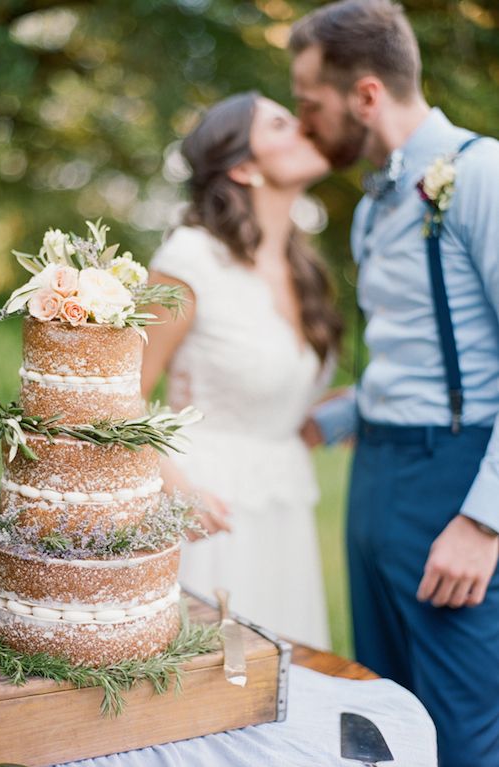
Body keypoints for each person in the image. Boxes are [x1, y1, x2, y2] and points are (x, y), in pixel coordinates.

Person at [289, 1, 499, 764]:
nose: (302, 124)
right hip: (373, 477)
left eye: (310, 104)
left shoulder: (482, 175)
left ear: (367, 95)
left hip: (453, 483)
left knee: (461, 733)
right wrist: (341, 415)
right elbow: (411, 353)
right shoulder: (373, 206)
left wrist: (484, 521)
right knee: (383, 719)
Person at [141, 92, 343, 648]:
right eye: (281, 123)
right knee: (220, 682)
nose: (305, 125)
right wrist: (175, 488)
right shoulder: (189, 259)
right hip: (209, 514)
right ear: (244, 166)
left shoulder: (302, 267)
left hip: (283, 514)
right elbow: (114, 396)